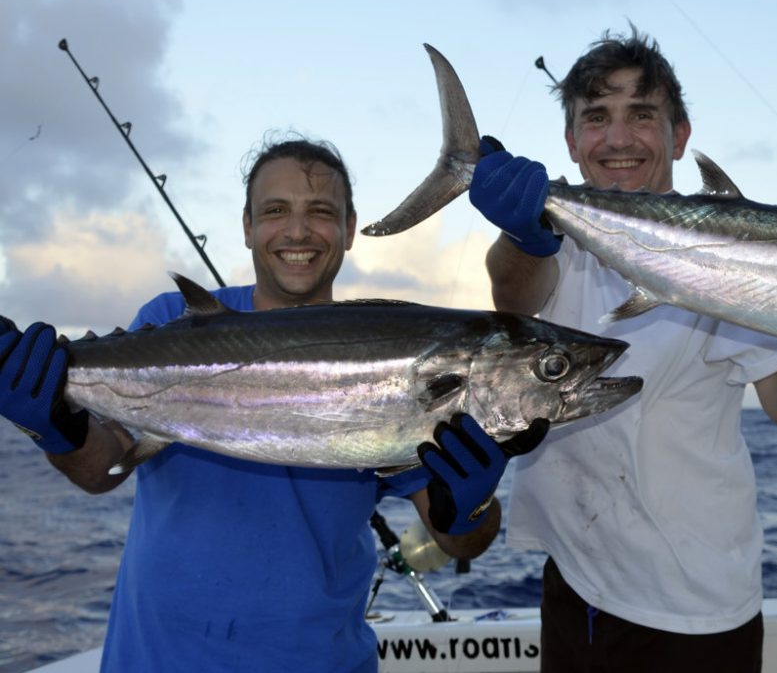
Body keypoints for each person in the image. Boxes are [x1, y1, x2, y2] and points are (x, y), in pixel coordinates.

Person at [468, 25, 777, 672]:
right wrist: (524, 235)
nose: (618, 138)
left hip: (697, 604)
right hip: (576, 582)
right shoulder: (555, 238)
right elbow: (513, 297)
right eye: (597, 118)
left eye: (641, 116)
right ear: (571, 141)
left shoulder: (742, 255)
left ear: (679, 136)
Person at [0, 137, 546, 672]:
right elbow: (100, 469)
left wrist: (470, 502)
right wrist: (54, 426)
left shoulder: (400, 354)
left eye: (321, 211)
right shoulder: (172, 318)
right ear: (247, 226)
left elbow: (460, 543)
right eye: (276, 210)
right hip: (160, 659)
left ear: (350, 229)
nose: (298, 230)